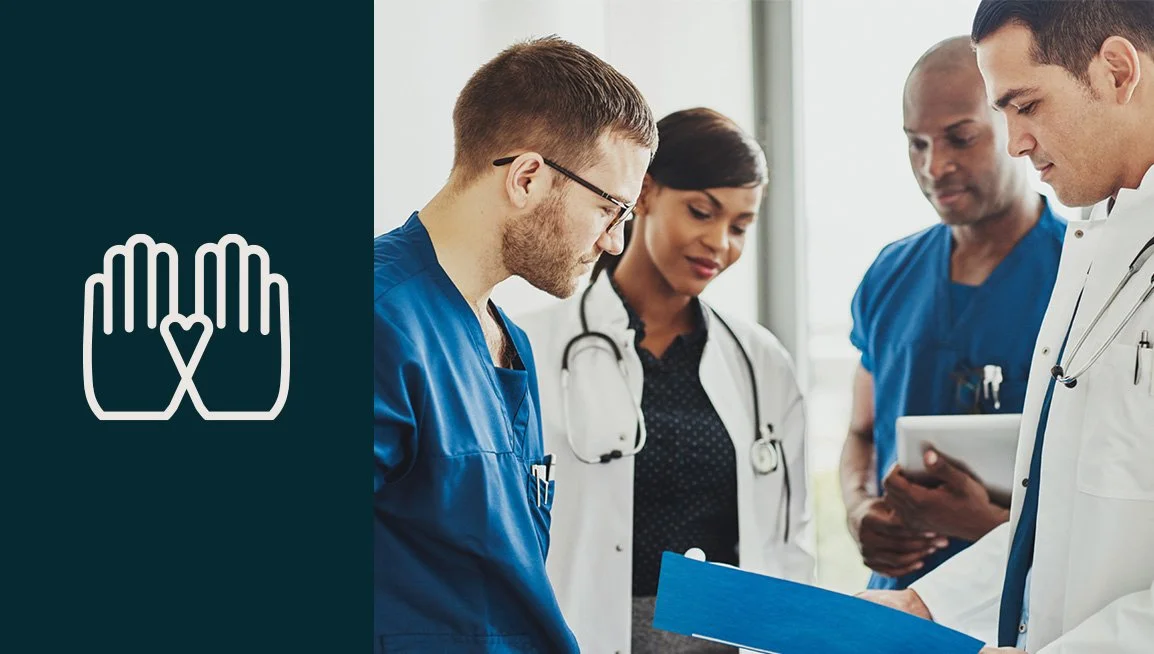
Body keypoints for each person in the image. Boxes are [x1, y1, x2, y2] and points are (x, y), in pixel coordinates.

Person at [860, 2, 1154, 652]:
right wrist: (925, 601)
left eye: (1026, 105)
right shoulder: (1094, 246)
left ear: (1115, 71)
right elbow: (1061, 526)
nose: (1017, 140)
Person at [373, 36, 658, 653]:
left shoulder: (511, 344)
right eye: (611, 209)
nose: (614, 243)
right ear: (527, 177)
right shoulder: (379, 320)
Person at [519, 108, 815, 654]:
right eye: (701, 212)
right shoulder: (536, 346)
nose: (719, 243)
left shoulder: (761, 361)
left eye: (740, 226)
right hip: (584, 631)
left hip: (724, 635)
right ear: (647, 192)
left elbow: (789, 542)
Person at [840, 36, 1066, 593]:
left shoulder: (1083, 278)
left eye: (959, 139)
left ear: (1015, 126)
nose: (934, 166)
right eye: (915, 144)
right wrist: (859, 510)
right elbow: (861, 433)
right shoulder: (890, 274)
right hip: (895, 611)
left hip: (1021, 620)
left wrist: (988, 528)